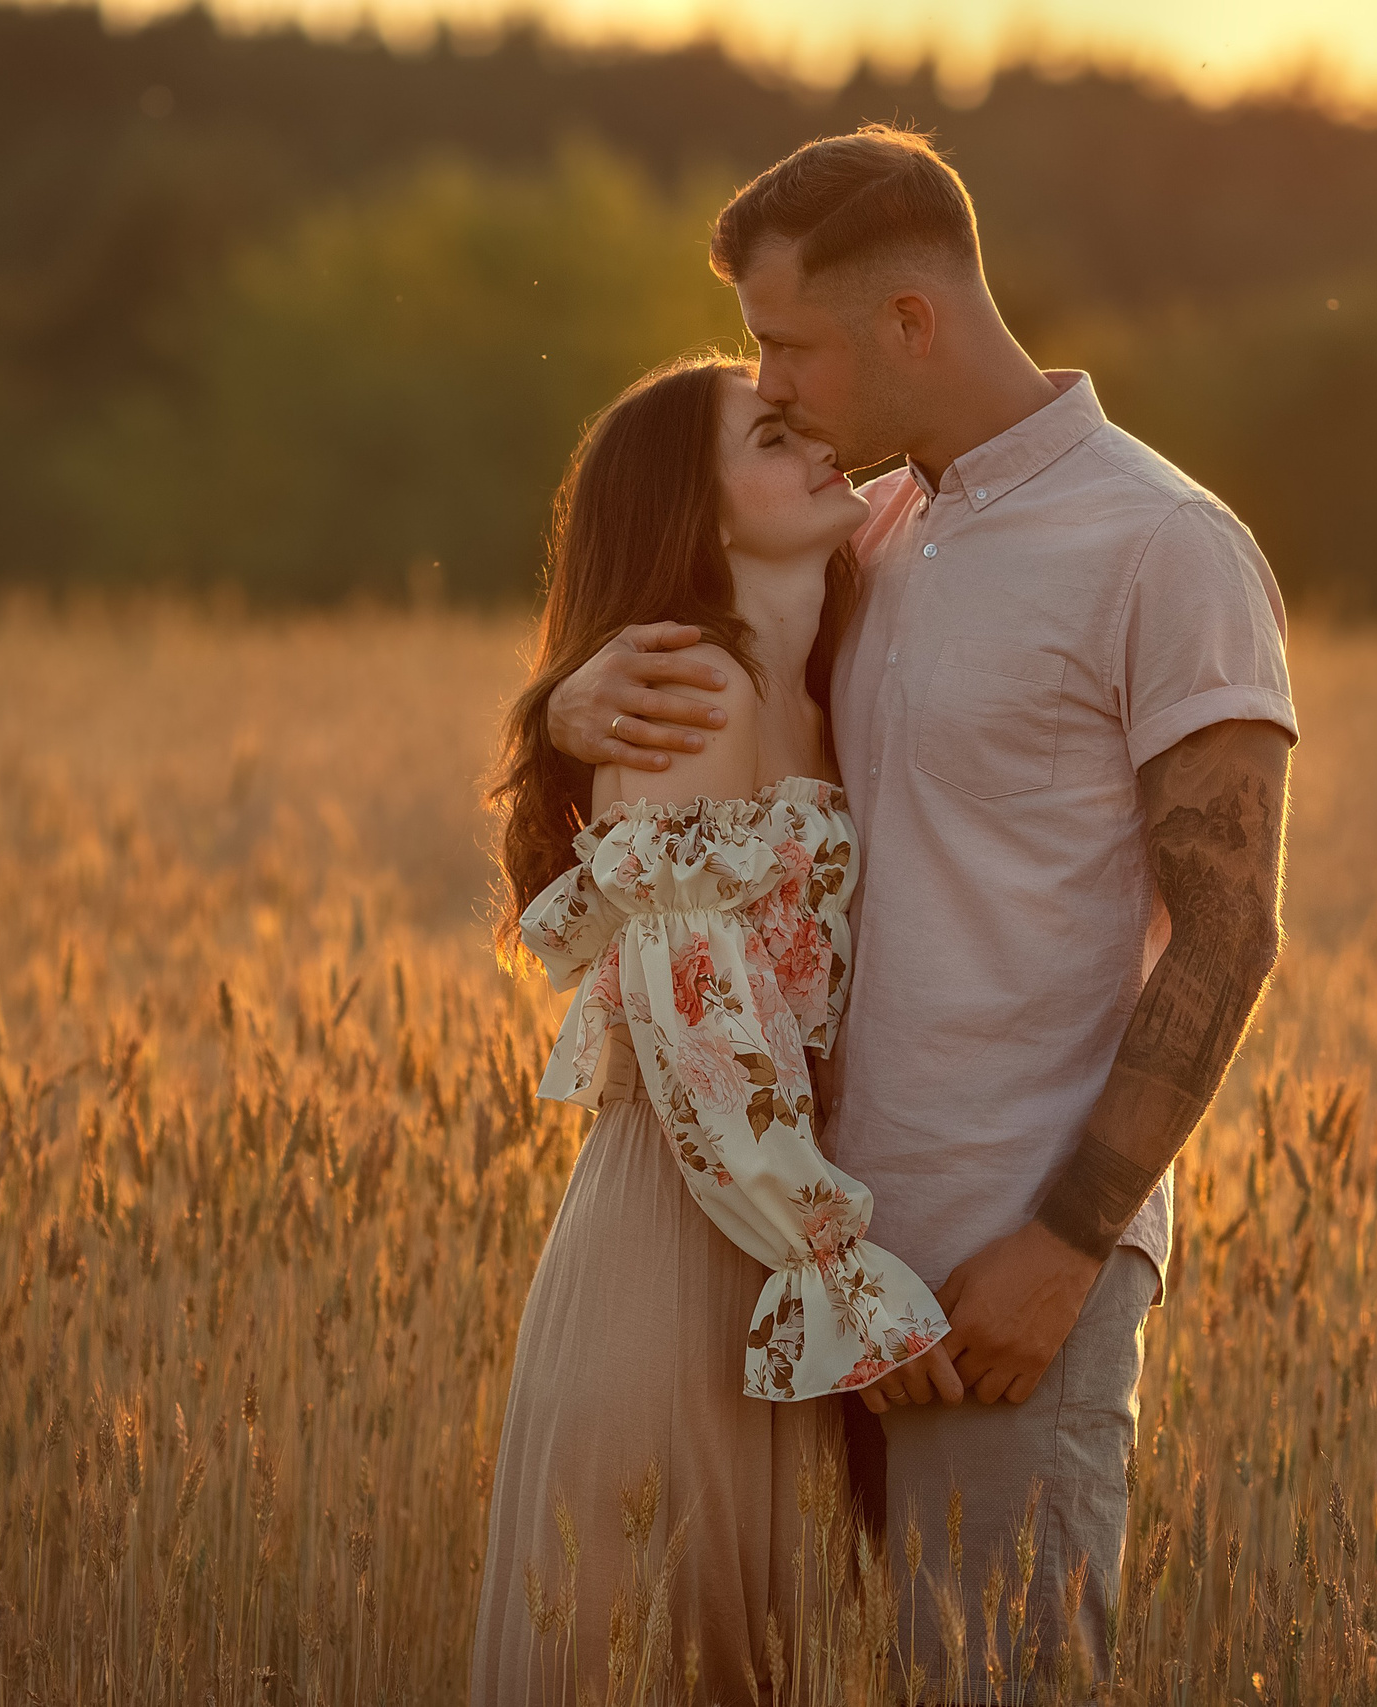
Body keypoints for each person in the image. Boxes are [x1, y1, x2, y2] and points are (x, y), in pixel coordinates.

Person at [543, 126, 1299, 1694]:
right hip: (797, 1274)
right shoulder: (879, 531)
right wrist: (568, 706)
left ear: (910, 323)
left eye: (790, 344)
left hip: (998, 1281)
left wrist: (1069, 1243)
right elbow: (709, 822)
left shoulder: (1164, 547)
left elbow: (1232, 931)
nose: (774, 385)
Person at [474, 353, 965, 1703]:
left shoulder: (809, 680)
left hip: (760, 1235)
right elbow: (695, 1034)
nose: (820, 444)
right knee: (652, 1651)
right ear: (698, 508)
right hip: (688, 1233)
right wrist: (840, 1270)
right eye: (771, 433)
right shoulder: (692, 690)